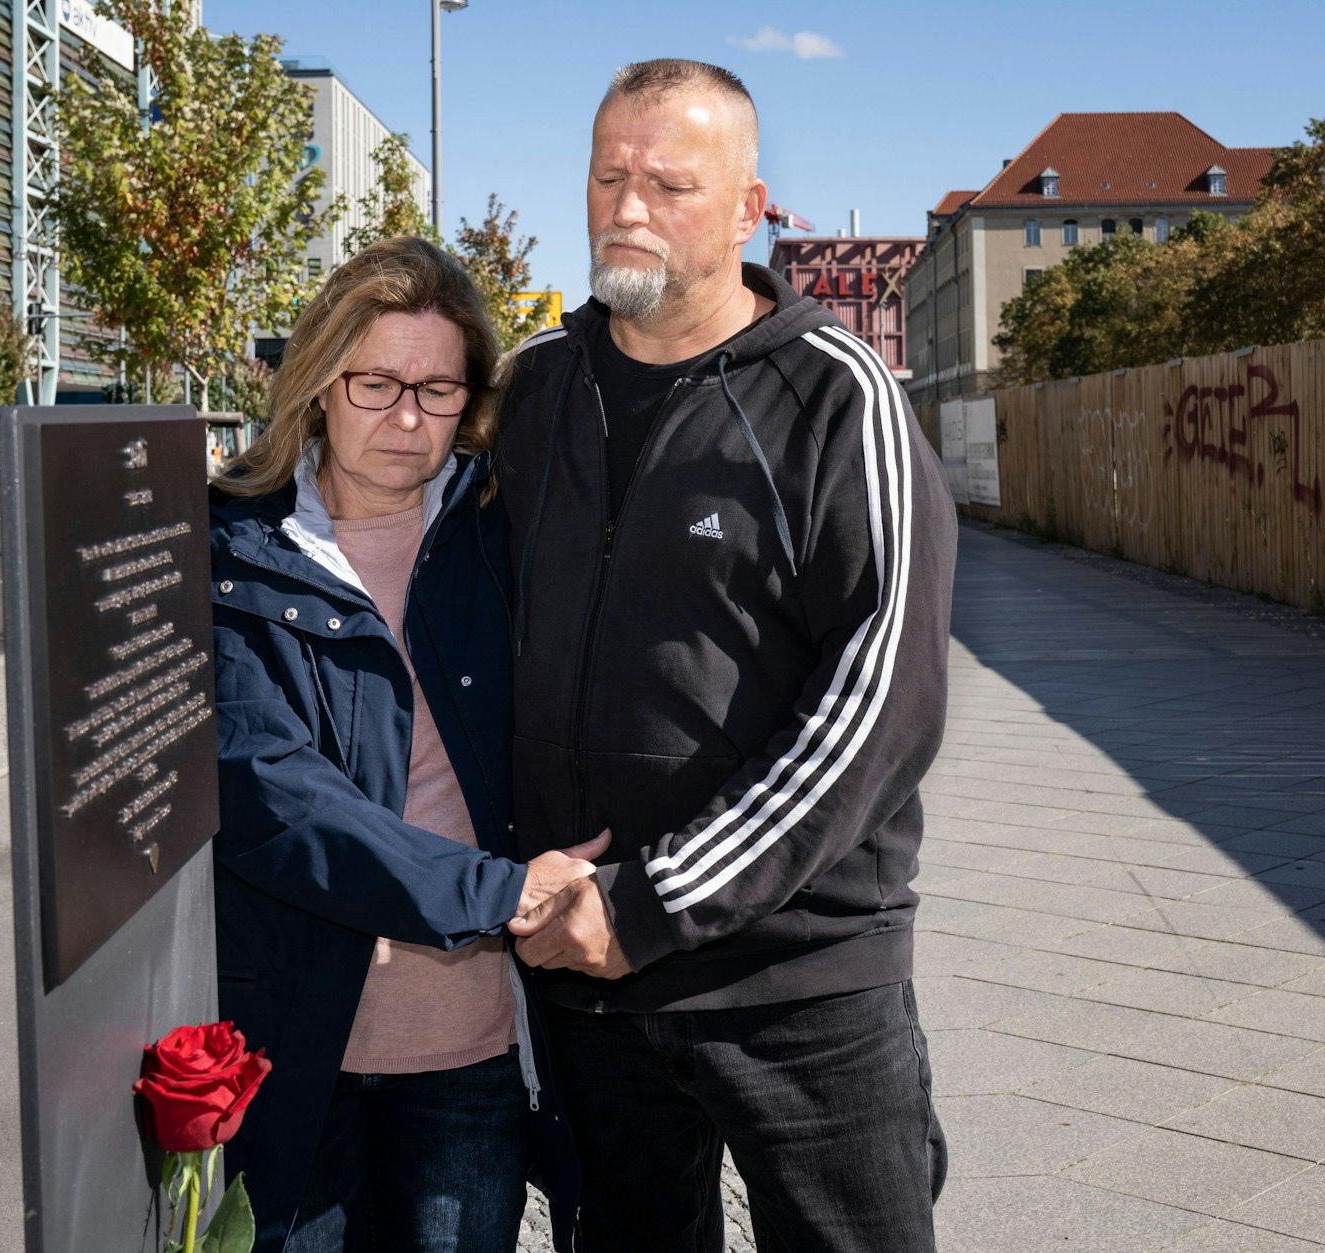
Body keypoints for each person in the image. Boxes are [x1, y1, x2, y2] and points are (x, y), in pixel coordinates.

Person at [497, 59, 958, 1252]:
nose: (628, 208)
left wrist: (652, 902)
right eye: (607, 176)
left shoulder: (835, 397)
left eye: (669, 184)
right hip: (586, 983)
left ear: (750, 208)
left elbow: (877, 711)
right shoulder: (535, 392)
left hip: (797, 985)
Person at [208, 236, 586, 1253]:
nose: (406, 418)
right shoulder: (226, 547)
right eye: (376, 382)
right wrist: (498, 892)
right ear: (319, 380)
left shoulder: (504, 540)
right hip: (288, 1042)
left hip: (468, 1042)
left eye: (438, 389)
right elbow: (258, 787)